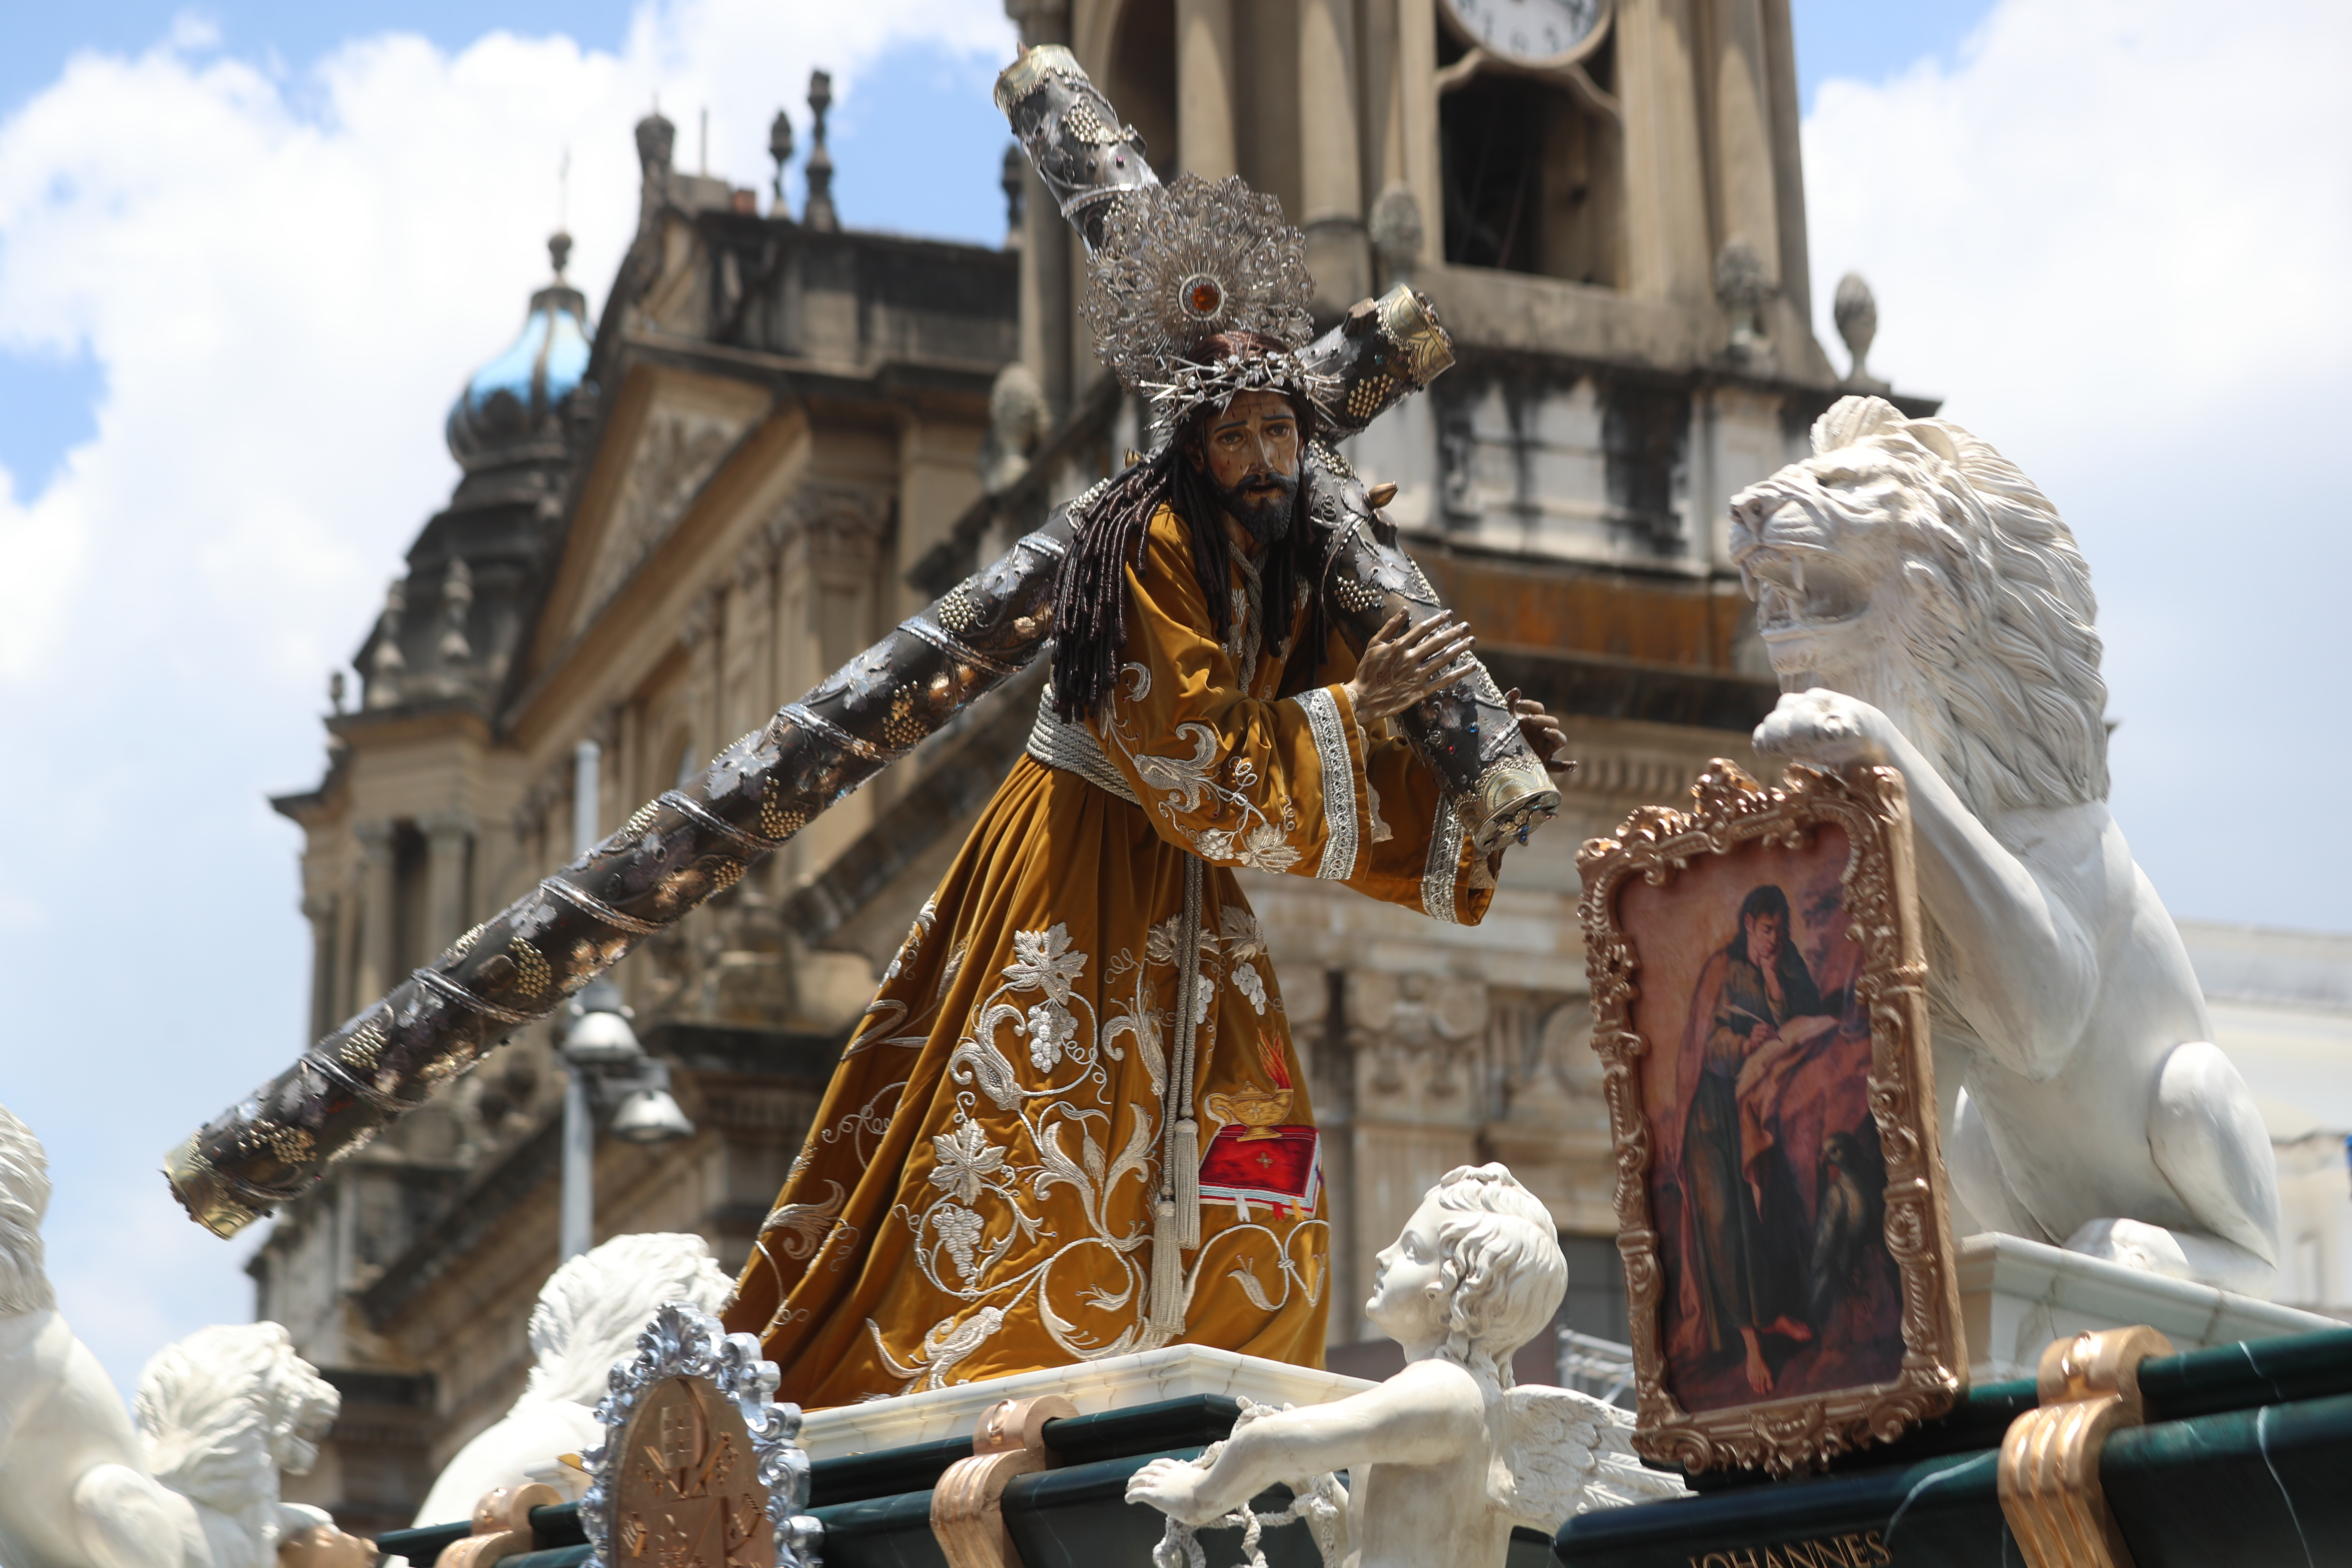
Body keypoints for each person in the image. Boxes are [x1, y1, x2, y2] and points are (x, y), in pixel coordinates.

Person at [721, 270, 1571, 1402]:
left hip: (1183, 895)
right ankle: (984, 1369)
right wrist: (1360, 707)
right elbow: (1192, 765)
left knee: (1261, 1145)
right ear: (1194, 446)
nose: (1266, 456)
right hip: (1075, 867)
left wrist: (1464, 770)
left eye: (1282, 428)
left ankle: (1231, 1375)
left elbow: (1331, 719)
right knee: (1028, 1133)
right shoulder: (1148, 542)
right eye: (1238, 434)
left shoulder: (1288, 558)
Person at [1124, 1164, 1677, 1568]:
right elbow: (1364, 1545)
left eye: (1413, 1249)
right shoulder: (1475, 1402)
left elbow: (1273, 1440)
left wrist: (1199, 1496)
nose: (1385, 1255)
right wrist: (1315, 1485)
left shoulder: (1443, 1392)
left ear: (1454, 1291)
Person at [1679, 884, 1839, 1394]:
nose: (1775, 939)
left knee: (1761, 1216)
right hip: (1711, 1115)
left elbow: (1807, 1011)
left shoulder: (1782, 962)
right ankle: (1751, 1348)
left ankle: (1771, 1316)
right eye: (1768, 930)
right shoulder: (1720, 972)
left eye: (1781, 931)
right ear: (1749, 924)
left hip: (1755, 1104)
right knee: (1726, 1220)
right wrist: (1742, 1042)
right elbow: (1704, 1047)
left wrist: (1775, 981)